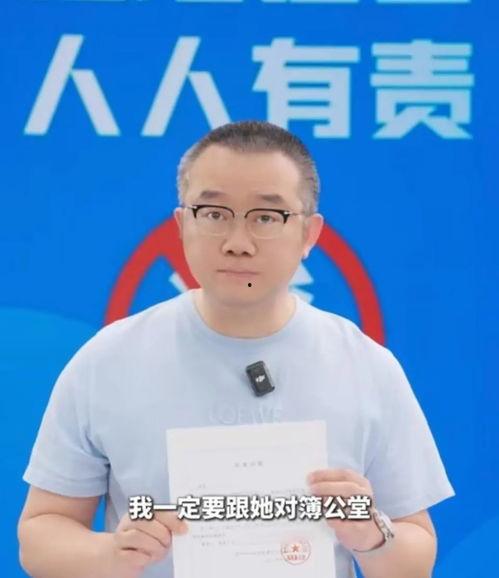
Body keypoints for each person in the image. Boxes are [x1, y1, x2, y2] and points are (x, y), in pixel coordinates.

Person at [18, 120, 455, 578]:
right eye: (214, 213)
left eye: (266, 217)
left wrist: (372, 535)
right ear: (182, 225)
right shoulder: (108, 360)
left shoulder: (365, 365)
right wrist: (112, 554)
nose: (237, 243)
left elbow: (416, 553)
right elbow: (40, 534)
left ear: (309, 234)